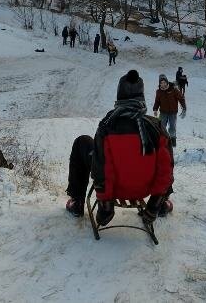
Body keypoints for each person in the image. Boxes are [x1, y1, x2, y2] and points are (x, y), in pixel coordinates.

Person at [65, 70, 174, 223]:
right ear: (141, 96)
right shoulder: (156, 127)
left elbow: (101, 167)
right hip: (145, 189)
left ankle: (77, 202)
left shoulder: (107, 125)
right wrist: (154, 204)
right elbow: (166, 169)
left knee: (82, 142)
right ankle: (162, 203)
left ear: (119, 95)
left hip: (116, 189)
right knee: (167, 157)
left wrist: (105, 206)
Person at [153, 74, 186, 147]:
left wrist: (184, 108)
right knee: (162, 127)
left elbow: (181, 98)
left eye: (164, 82)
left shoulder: (173, 89)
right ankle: (162, 141)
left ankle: (173, 141)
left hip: (173, 112)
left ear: (167, 82)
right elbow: (157, 101)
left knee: (172, 127)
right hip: (163, 112)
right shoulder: (159, 91)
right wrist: (155, 109)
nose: (163, 84)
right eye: (161, 83)